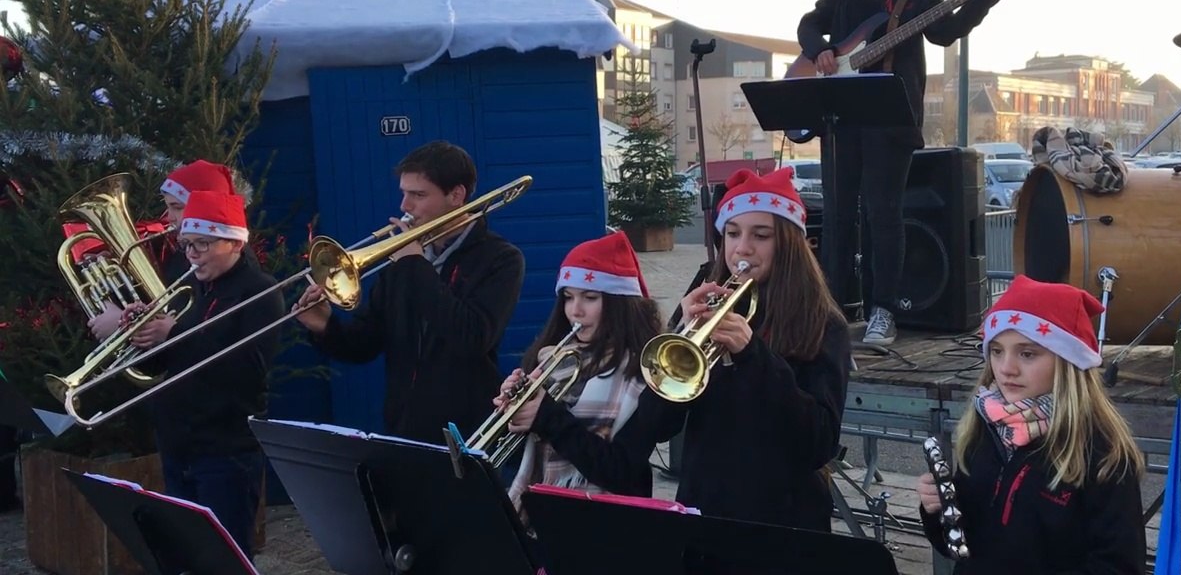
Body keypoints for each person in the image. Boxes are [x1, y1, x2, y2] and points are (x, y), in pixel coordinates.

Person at [524, 168, 851, 547]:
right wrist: (678, 335)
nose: (741, 248)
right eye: (732, 233)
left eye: (760, 235)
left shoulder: (824, 325)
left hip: (783, 525)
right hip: (705, 514)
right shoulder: (707, 306)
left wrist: (752, 356)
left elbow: (818, 444)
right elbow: (654, 429)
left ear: (790, 245)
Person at [797, 0, 1009, 345]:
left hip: (890, 119)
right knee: (836, 217)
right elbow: (808, 24)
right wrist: (823, 52)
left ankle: (883, 311)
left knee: (883, 214)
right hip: (842, 116)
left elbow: (946, 32)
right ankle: (831, 311)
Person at [294, 140, 526, 443]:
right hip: (404, 429)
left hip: (467, 433)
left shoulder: (500, 258)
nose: (405, 206)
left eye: (418, 195)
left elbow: (472, 337)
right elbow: (363, 345)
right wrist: (324, 326)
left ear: (456, 195)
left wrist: (415, 265)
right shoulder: (401, 263)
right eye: (404, 193)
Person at [915, 275, 1145, 573]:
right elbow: (962, 545)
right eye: (996, 351)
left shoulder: (1103, 454)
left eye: (1027, 353)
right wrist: (938, 509)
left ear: (1067, 361)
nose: (1006, 368)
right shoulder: (984, 427)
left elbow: (1120, 566)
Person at [128, 189, 284, 561]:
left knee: (223, 559)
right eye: (187, 245)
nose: (192, 255)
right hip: (178, 444)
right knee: (185, 556)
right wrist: (141, 336)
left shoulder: (260, 293)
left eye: (202, 244)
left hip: (225, 450)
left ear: (234, 242)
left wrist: (173, 333)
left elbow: (244, 371)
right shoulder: (191, 288)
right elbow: (162, 365)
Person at [500, 231, 662, 518]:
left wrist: (547, 417)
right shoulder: (550, 360)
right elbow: (529, 457)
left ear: (619, 302)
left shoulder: (642, 373)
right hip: (542, 516)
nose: (575, 311)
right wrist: (511, 414)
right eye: (568, 297)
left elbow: (620, 470)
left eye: (589, 298)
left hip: (607, 524)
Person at [87, 159, 238, 342]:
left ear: (205, 205)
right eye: (168, 207)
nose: (169, 217)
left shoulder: (214, 261)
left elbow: (188, 325)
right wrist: (109, 286)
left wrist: (123, 325)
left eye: (177, 207)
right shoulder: (176, 251)